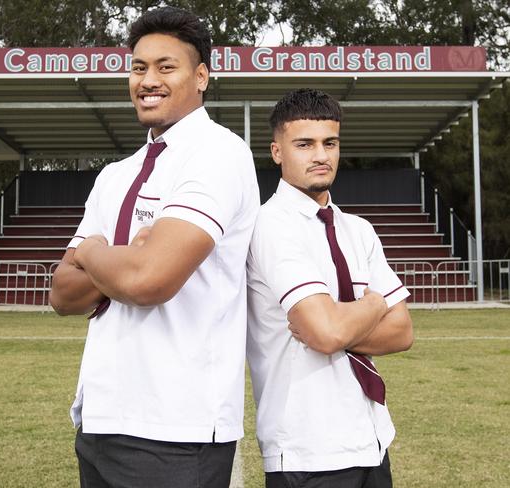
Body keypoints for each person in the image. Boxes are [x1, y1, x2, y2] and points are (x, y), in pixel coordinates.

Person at [49, 6, 260, 488]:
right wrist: (124, 258)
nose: (149, 80)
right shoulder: (114, 174)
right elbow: (62, 294)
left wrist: (92, 253)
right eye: (139, 67)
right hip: (100, 420)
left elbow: (148, 280)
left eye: (167, 67)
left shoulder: (218, 152)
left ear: (201, 76)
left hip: (176, 430)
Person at [246, 88, 414, 488]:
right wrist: (375, 304)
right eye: (304, 144)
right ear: (277, 151)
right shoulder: (269, 225)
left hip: (371, 438)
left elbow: (402, 331)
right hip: (307, 447)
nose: (321, 155)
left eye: (330, 143)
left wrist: (343, 318)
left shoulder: (359, 229)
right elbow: (325, 332)